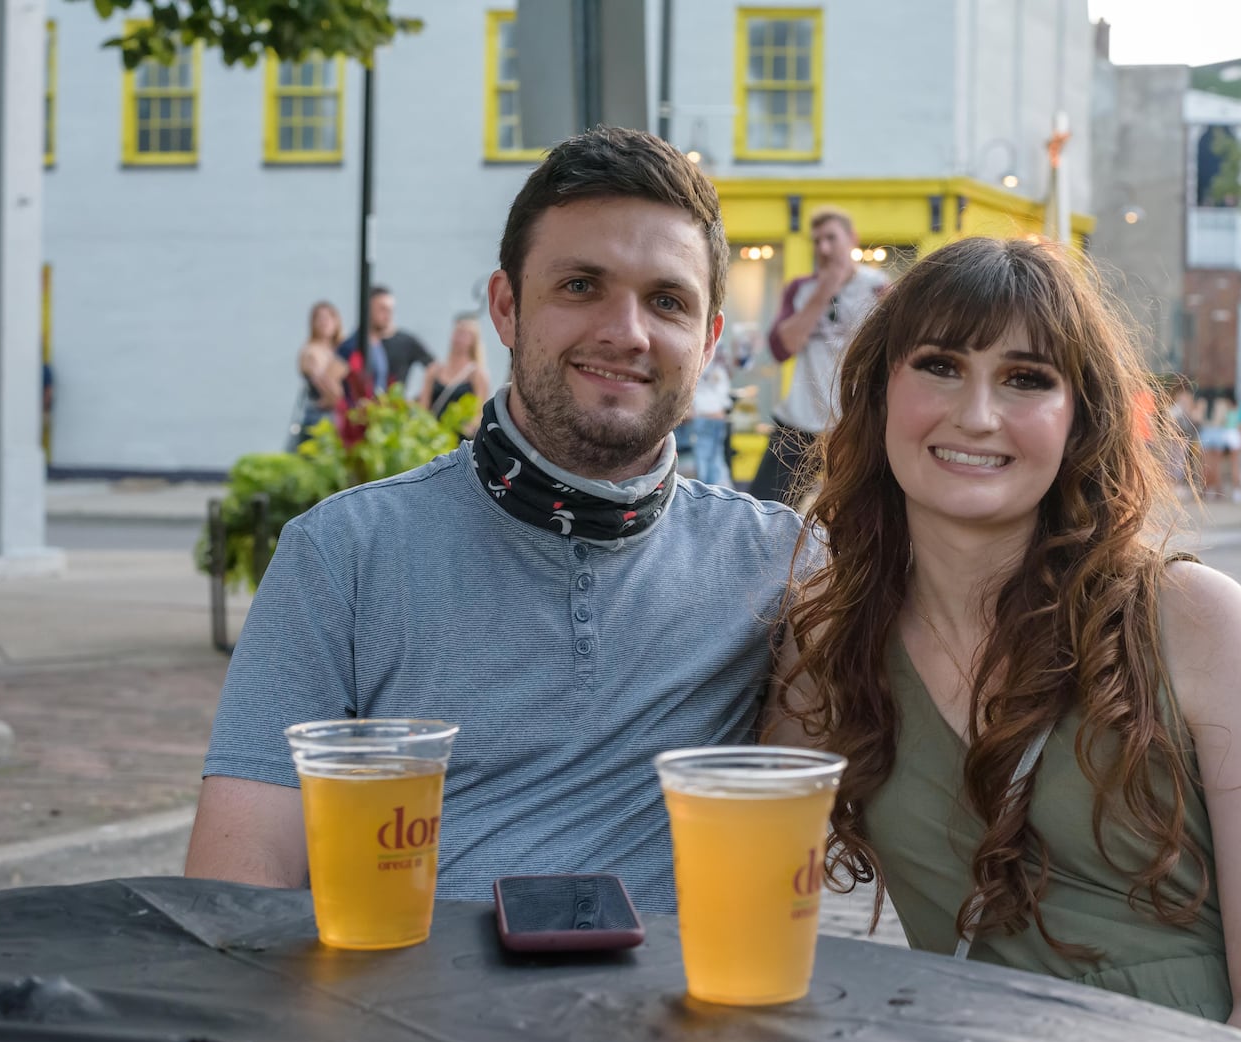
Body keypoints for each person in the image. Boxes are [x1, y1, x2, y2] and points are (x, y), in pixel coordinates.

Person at [769, 237, 1241, 1042]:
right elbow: (758, 903)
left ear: (1080, 419)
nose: (978, 414)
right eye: (940, 366)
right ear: (880, 394)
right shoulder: (827, 646)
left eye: (1027, 378)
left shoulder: (1194, 620)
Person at [184, 127, 803, 912]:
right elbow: (235, 892)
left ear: (710, 339)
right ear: (506, 308)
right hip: (402, 1016)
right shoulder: (341, 555)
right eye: (581, 285)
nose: (627, 331)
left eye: (668, 301)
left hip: (679, 1021)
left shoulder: (778, 565)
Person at [748, 207, 887, 505]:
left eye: (831, 239)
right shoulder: (802, 289)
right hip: (798, 422)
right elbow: (781, 348)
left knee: (859, 513)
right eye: (817, 241)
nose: (823, 248)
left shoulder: (877, 287)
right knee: (765, 508)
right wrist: (824, 290)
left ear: (852, 239)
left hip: (851, 422)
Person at [337, 285, 436, 401]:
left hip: (388, 410)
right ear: (368, 309)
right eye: (382, 309)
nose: (388, 315)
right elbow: (334, 376)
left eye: (390, 309)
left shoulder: (399, 342)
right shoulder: (354, 343)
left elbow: (434, 367)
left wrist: (422, 401)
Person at [418, 315, 491, 434]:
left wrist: (466, 428)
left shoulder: (477, 374)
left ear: (473, 340)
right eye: (458, 333)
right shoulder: (434, 370)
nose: (459, 338)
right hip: (433, 434)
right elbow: (423, 407)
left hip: (460, 438)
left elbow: (479, 412)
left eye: (465, 335)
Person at [289, 300, 348, 450]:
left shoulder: (338, 350)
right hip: (319, 419)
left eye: (329, 318)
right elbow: (329, 390)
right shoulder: (311, 352)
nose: (325, 322)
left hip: (337, 417)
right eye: (320, 318)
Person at [686, 350, 734, 487]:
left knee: (717, 484)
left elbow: (724, 373)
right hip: (694, 422)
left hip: (714, 420)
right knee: (692, 486)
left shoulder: (721, 340)